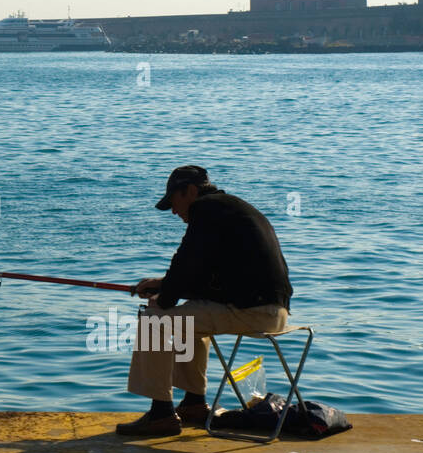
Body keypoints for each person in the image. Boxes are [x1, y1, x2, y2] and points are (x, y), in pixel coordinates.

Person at [117, 165, 293, 437]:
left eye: (173, 202)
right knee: (186, 318)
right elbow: (203, 274)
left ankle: (161, 414)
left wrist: (162, 299)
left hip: (253, 310)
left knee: (153, 320)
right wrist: (164, 286)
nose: (174, 211)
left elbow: (187, 261)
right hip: (271, 310)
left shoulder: (205, 209)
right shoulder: (230, 208)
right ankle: (193, 403)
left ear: (189, 191)